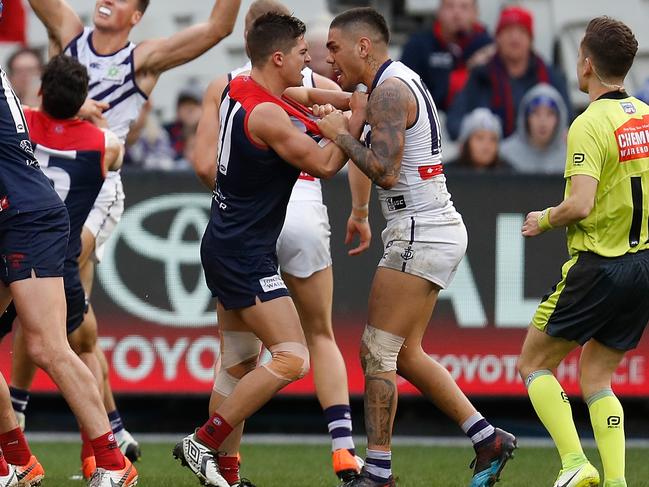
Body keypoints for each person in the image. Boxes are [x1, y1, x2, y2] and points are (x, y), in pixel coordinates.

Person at [21, 0, 242, 466]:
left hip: (93, 185)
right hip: (38, 180)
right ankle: (108, 432)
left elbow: (220, 27)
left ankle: (40, 433)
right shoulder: (70, 30)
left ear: (137, 16)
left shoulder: (143, 58)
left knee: (43, 303)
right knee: (66, 328)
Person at [319, 8, 516, 487]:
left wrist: (339, 136)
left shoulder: (388, 92)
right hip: (432, 224)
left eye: (334, 47)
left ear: (363, 46)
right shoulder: (392, 82)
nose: (330, 57)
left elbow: (384, 169)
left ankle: (379, 472)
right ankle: (487, 436)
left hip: (417, 229)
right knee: (406, 353)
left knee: (377, 351)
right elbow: (333, 100)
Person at [173, 12, 364, 487]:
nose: (308, 61)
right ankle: (204, 441)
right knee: (292, 357)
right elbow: (322, 165)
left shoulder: (240, 88)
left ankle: (228, 475)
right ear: (278, 58)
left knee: (237, 365)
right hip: (244, 254)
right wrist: (346, 127)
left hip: (225, 241)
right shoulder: (267, 114)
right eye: (302, 53)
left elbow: (303, 95)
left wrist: (343, 102)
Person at [518, 16, 649, 487]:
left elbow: (581, 204)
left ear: (587, 63)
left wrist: (543, 218)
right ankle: (616, 482)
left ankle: (575, 463)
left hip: (600, 265)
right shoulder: (645, 116)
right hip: (643, 266)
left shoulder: (588, 124)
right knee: (597, 377)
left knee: (533, 364)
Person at [0, 54, 136, 487]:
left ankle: (112, 460)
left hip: (28, 220)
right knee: (63, 344)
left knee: (50, 347)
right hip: (25, 217)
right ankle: (16, 461)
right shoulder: (96, 140)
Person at [446, 5, 571, 139]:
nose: (514, 38)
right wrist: (477, 136)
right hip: (493, 155)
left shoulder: (551, 77)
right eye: (508, 31)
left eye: (521, 32)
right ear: (497, 38)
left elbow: (568, 120)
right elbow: (454, 122)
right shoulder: (480, 76)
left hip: (539, 153)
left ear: (531, 40)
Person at [400, 0, 493, 111]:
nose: (456, 13)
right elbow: (404, 89)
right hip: (430, 116)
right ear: (439, 12)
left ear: (475, 13)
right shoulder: (418, 45)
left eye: (464, 7)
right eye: (450, 6)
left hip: (477, 119)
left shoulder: (489, 48)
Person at [500, 83, 568, 174]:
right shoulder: (504, 156)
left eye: (550, 114)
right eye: (536, 113)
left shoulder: (571, 158)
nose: (542, 122)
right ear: (525, 118)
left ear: (559, 119)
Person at [445, 107, 510, 172]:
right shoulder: (445, 174)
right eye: (480, 138)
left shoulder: (510, 174)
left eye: (493, 139)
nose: (487, 144)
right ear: (465, 143)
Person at [164, 81, 204, 163]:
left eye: (194, 104)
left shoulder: (213, 133)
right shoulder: (166, 132)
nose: (190, 109)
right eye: (185, 105)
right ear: (177, 109)